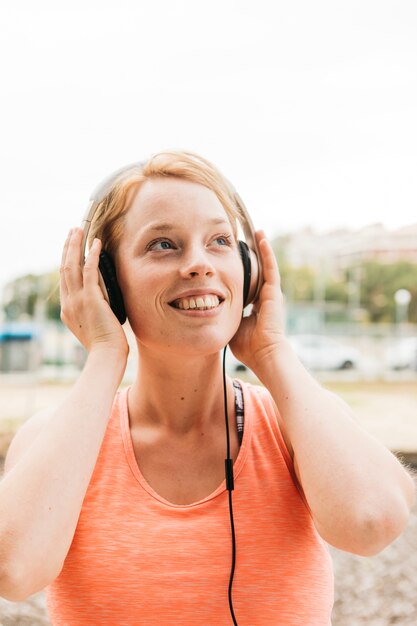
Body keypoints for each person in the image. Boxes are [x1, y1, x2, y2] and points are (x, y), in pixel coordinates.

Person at [0, 151, 414, 625]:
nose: (199, 264)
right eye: (162, 245)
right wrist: (103, 353)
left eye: (219, 240)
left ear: (249, 270)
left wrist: (273, 353)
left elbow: (372, 524)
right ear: (108, 283)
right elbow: (13, 570)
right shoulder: (55, 438)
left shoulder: (295, 423)